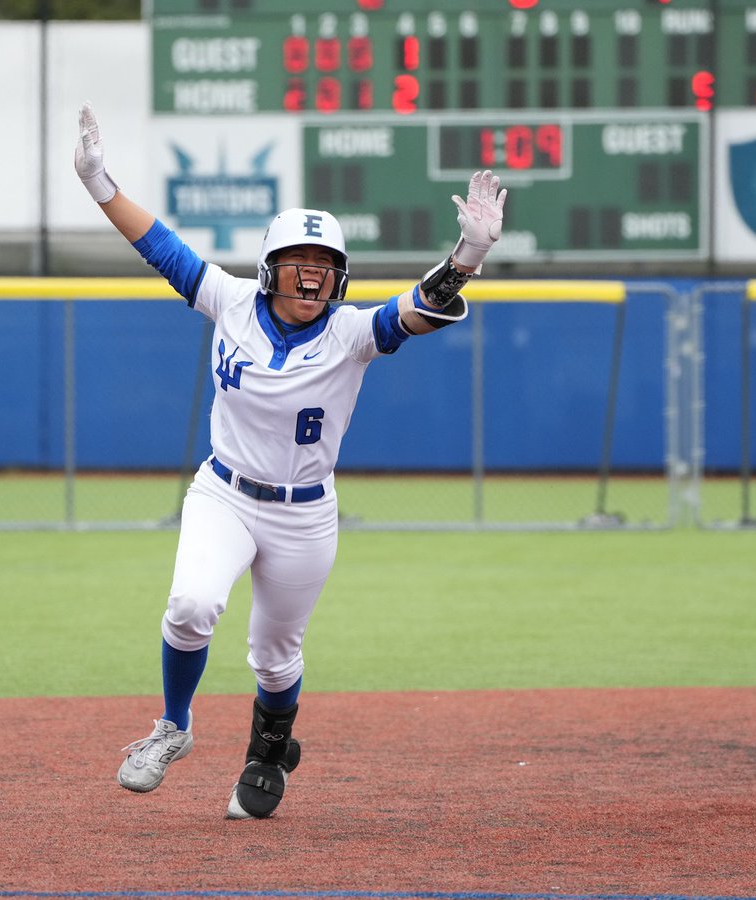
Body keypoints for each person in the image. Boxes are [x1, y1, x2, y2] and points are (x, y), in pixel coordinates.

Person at [74, 101, 507, 820]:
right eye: (299, 264)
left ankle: (267, 752)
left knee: (275, 658)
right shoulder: (231, 300)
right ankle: (173, 728)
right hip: (224, 493)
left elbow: (419, 310)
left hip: (304, 515)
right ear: (271, 268)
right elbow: (159, 244)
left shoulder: (350, 333)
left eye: (326, 266)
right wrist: (99, 183)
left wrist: (468, 257)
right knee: (189, 606)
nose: (312, 278)